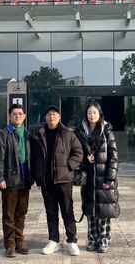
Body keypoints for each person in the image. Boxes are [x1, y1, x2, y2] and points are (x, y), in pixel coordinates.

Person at [30, 105, 83, 256]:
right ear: (45, 118)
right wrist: (35, 175)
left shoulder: (68, 134)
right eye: (49, 114)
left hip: (64, 180)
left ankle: (72, 241)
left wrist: (68, 166)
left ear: (59, 117)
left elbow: (78, 152)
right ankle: (53, 241)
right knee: (51, 212)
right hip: (47, 181)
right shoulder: (39, 135)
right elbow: (34, 157)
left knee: (67, 210)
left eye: (54, 114)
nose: (51, 117)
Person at [74, 102, 119, 253]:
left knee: (104, 212)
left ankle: (104, 241)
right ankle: (93, 240)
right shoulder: (80, 132)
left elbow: (113, 157)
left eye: (94, 112)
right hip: (89, 179)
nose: (92, 115)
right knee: (90, 211)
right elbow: (75, 153)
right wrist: (85, 159)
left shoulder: (107, 132)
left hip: (103, 178)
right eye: (89, 112)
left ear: (100, 114)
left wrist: (109, 179)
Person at [0, 103, 33, 258]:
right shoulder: (4, 134)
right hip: (10, 179)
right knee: (9, 214)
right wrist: (0, 177)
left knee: (21, 213)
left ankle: (20, 242)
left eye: (20, 114)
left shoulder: (28, 135)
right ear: (10, 116)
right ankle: (10, 244)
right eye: (14, 114)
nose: (18, 116)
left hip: (25, 179)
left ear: (24, 116)